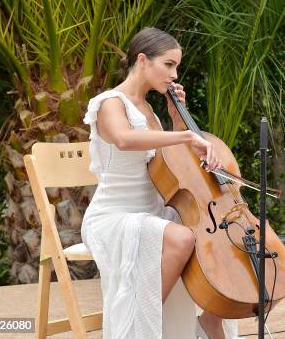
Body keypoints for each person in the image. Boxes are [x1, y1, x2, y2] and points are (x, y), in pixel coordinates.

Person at [81, 27, 234, 338]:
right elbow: (125, 140)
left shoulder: (149, 109)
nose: (174, 74)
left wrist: (179, 119)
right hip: (115, 216)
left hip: (153, 212)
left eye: (176, 66)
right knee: (181, 239)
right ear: (142, 60)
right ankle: (137, 326)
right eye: (168, 64)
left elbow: (170, 160)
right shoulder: (110, 102)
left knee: (223, 239)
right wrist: (188, 134)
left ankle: (210, 321)